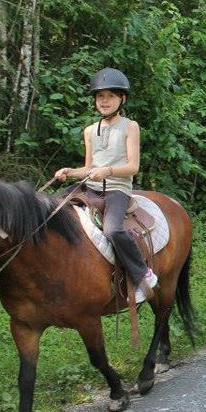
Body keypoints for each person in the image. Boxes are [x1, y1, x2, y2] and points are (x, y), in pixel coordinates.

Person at [53, 67, 157, 303]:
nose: (104, 101)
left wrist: (107, 171)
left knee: (112, 230)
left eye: (110, 96)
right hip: (90, 187)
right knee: (53, 208)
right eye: (100, 96)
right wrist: (70, 172)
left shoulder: (130, 126)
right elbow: (89, 168)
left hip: (117, 190)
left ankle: (143, 274)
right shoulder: (90, 131)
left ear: (122, 98)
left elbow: (133, 167)